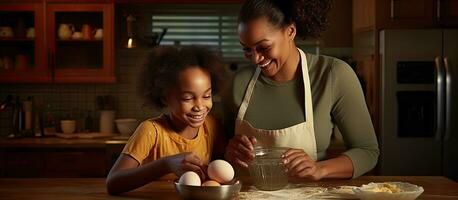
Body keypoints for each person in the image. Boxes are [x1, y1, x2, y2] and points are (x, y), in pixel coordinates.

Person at [223, 0, 379, 181]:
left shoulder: (333, 75)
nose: (255, 59)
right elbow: (220, 153)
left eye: (264, 48)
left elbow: (368, 152)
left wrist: (320, 169)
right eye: (247, 50)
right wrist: (229, 152)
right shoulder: (237, 84)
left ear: (290, 31)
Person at [107, 46, 225, 194]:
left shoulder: (212, 126)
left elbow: (220, 171)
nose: (200, 106)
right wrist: (165, 164)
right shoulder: (151, 131)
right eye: (187, 98)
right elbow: (113, 182)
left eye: (207, 96)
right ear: (165, 98)